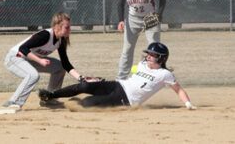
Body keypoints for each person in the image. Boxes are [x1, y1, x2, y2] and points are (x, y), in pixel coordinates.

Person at [38, 42, 197, 110]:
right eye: (148, 54)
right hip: (118, 85)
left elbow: (179, 90)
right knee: (85, 85)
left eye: (152, 55)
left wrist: (188, 104)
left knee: (85, 103)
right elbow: (134, 77)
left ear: (161, 58)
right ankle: (51, 95)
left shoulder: (165, 74)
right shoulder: (141, 64)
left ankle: (65, 105)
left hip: (125, 99)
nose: (148, 56)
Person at [3, 12, 88, 109]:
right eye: (67, 27)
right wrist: (39, 60)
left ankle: (49, 99)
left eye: (69, 27)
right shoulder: (45, 35)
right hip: (15, 58)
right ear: (57, 26)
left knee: (60, 68)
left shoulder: (61, 40)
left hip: (30, 59)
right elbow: (23, 48)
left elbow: (65, 63)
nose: (69, 30)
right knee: (33, 75)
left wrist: (81, 78)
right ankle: (13, 102)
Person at [117, 0, 166, 80]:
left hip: (150, 18)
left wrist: (159, 14)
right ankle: (121, 78)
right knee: (127, 49)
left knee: (154, 48)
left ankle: (153, 75)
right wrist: (120, 20)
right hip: (133, 19)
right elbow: (120, 4)